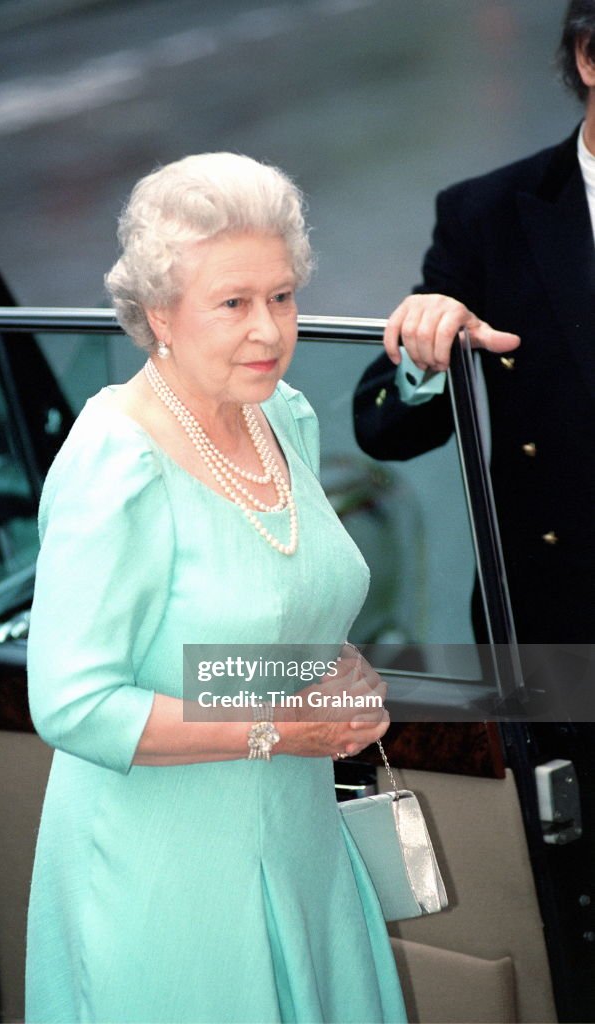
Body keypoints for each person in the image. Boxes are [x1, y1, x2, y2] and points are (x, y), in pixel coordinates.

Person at [25, 153, 406, 1024]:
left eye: (282, 296)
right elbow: (73, 702)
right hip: (164, 876)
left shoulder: (284, 417)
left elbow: (284, 597)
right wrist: (277, 725)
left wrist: (346, 680)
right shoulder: (114, 461)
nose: (268, 331)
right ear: (160, 313)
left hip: (300, 842)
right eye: (233, 303)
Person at [353, 0, 595, 644]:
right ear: (588, 56)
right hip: (560, 620)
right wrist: (428, 349)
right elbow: (381, 426)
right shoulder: (489, 217)